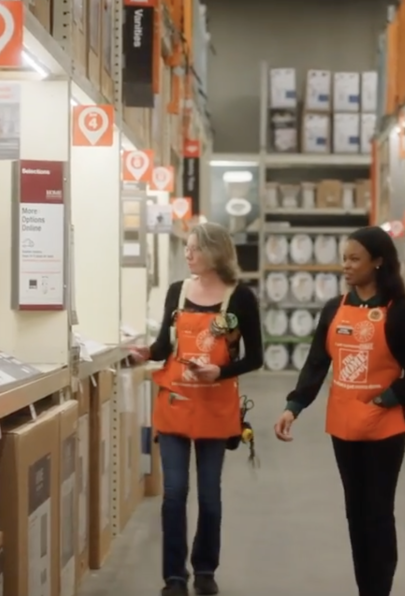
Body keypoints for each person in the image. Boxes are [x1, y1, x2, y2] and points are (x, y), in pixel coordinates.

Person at [272, 225, 405, 596]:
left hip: (383, 430)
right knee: (355, 515)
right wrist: (293, 406)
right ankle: (366, 588)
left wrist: (388, 399)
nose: (346, 265)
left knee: (378, 513)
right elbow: (316, 364)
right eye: (344, 258)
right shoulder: (335, 309)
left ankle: (379, 589)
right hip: (343, 429)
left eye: (354, 259)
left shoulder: (401, 312)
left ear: (378, 262)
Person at [130, 222, 264, 596]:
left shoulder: (241, 298)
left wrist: (219, 370)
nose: (187, 254)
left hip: (216, 407)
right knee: (174, 492)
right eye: (186, 248)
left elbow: (256, 358)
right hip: (174, 404)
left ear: (215, 253)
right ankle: (174, 576)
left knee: (209, 494)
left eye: (194, 249)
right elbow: (162, 345)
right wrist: (146, 353)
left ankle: (205, 569)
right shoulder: (177, 292)